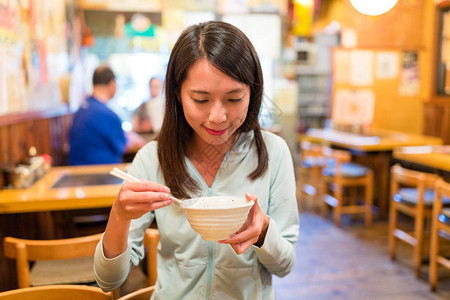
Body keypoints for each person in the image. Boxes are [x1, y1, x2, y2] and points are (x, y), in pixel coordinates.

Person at [94, 21, 299, 299]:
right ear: (178, 94)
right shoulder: (152, 159)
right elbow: (108, 281)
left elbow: (285, 266)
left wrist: (263, 231)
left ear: (253, 93)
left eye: (234, 98)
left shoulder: (273, 152)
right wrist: (119, 215)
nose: (218, 116)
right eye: (201, 99)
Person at [69, 65, 144, 165]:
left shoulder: (82, 109)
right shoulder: (107, 115)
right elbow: (123, 145)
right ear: (112, 83)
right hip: (100, 173)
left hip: (76, 169)